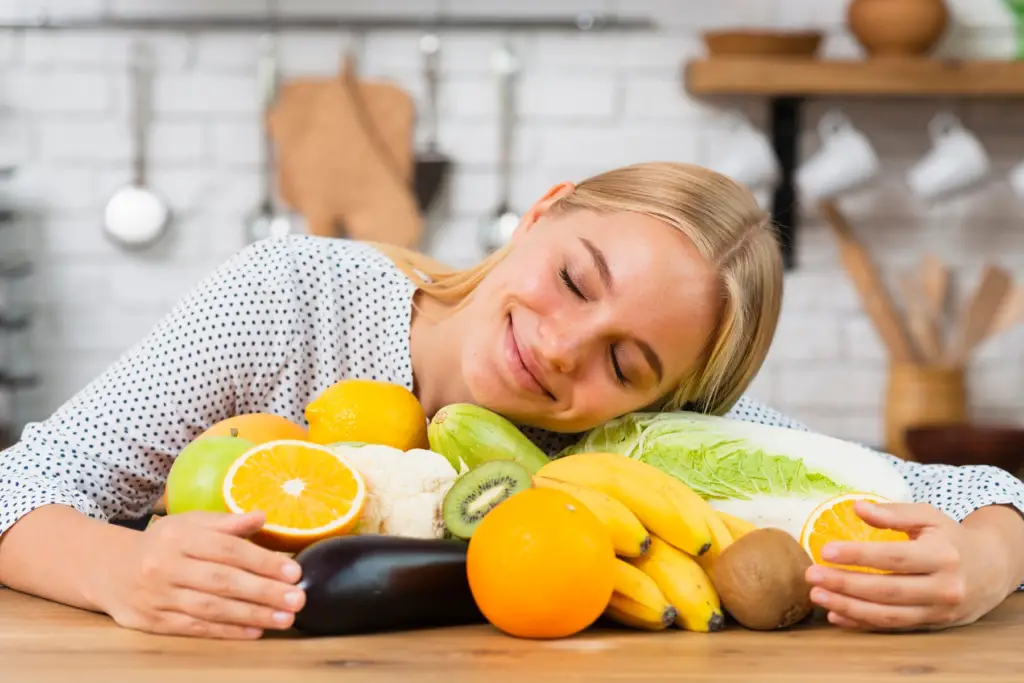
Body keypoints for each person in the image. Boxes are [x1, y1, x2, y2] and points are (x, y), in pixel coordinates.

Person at [0, 162, 1021, 640]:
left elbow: (977, 487)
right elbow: (25, 479)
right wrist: (118, 565)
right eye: (576, 279)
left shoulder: (644, 450)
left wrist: (978, 561)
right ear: (542, 212)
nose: (560, 348)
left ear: (671, 399)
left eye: (626, 364)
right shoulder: (293, 300)